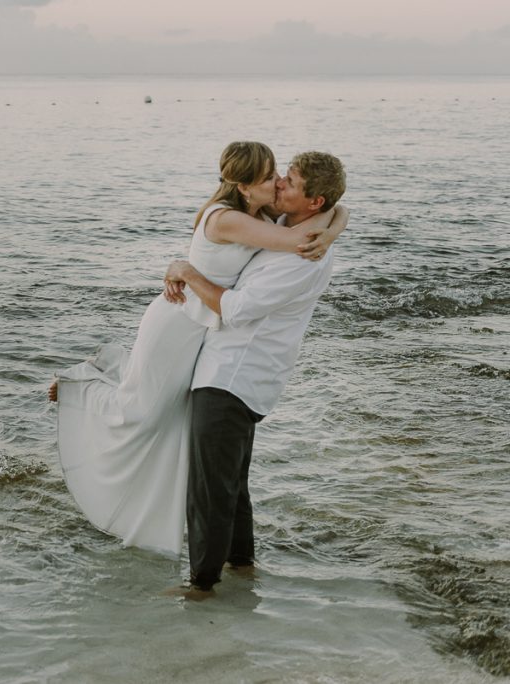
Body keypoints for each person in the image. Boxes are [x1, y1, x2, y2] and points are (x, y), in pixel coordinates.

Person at [50, 142, 348, 559]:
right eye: (270, 177)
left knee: (165, 417)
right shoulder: (230, 219)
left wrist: (335, 224)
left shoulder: (260, 215)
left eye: (283, 177)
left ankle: (229, 564)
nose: (278, 182)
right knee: (138, 412)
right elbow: (300, 237)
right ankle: (79, 385)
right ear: (245, 187)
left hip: (203, 330)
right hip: (178, 322)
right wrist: (332, 226)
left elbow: (321, 218)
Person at [163, 150, 347, 598]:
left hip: (233, 374)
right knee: (231, 483)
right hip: (239, 372)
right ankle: (241, 565)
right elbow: (340, 209)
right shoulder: (292, 226)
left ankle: (201, 585)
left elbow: (237, 309)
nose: (280, 183)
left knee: (210, 488)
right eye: (281, 176)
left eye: (291, 181)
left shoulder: (302, 254)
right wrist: (338, 220)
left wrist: (187, 271)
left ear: (313, 202)